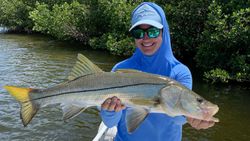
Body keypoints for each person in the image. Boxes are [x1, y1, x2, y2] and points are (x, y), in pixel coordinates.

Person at [100, 2, 215, 141]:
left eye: (153, 31)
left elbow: (178, 118)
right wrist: (109, 112)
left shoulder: (180, 72)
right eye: (139, 33)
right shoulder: (120, 70)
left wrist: (191, 117)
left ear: (163, 32)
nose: (146, 38)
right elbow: (110, 123)